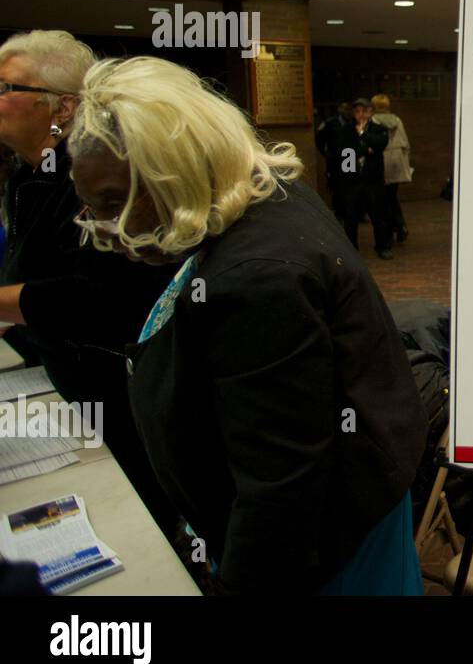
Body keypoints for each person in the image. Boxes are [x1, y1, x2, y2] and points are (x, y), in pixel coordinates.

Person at [67, 57, 427, 595]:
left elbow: (280, 488)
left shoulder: (255, 280)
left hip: (325, 545)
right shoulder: (262, 192)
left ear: (177, 172)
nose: (102, 227)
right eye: (92, 205)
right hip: (355, 500)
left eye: (115, 203)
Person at [0, 30, 179, 532]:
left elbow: (100, 298)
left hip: (113, 384)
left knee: (136, 517)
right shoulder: (27, 175)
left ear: (62, 106)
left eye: (7, 87)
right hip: (55, 370)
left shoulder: (96, 177)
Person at [334, 97, 393, 259]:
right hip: (353, 181)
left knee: (378, 215)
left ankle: (382, 246)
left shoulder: (378, 128)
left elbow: (380, 144)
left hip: (373, 180)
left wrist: (362, 135)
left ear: (370, 112)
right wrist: (366, 150)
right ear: (353, 113)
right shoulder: (346, 130)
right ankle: (351, 248)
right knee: (351, 217)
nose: (361, 115)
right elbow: (345, 154)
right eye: (357, 111)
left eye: (364, 111)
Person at [370, 94, 412, 244]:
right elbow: (405, 143)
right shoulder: (397, 120)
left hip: (383, 162)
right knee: (392, 196)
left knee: (383, 200)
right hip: (397, 162)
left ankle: (393, 229)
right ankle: (400, 227)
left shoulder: (373, 121)